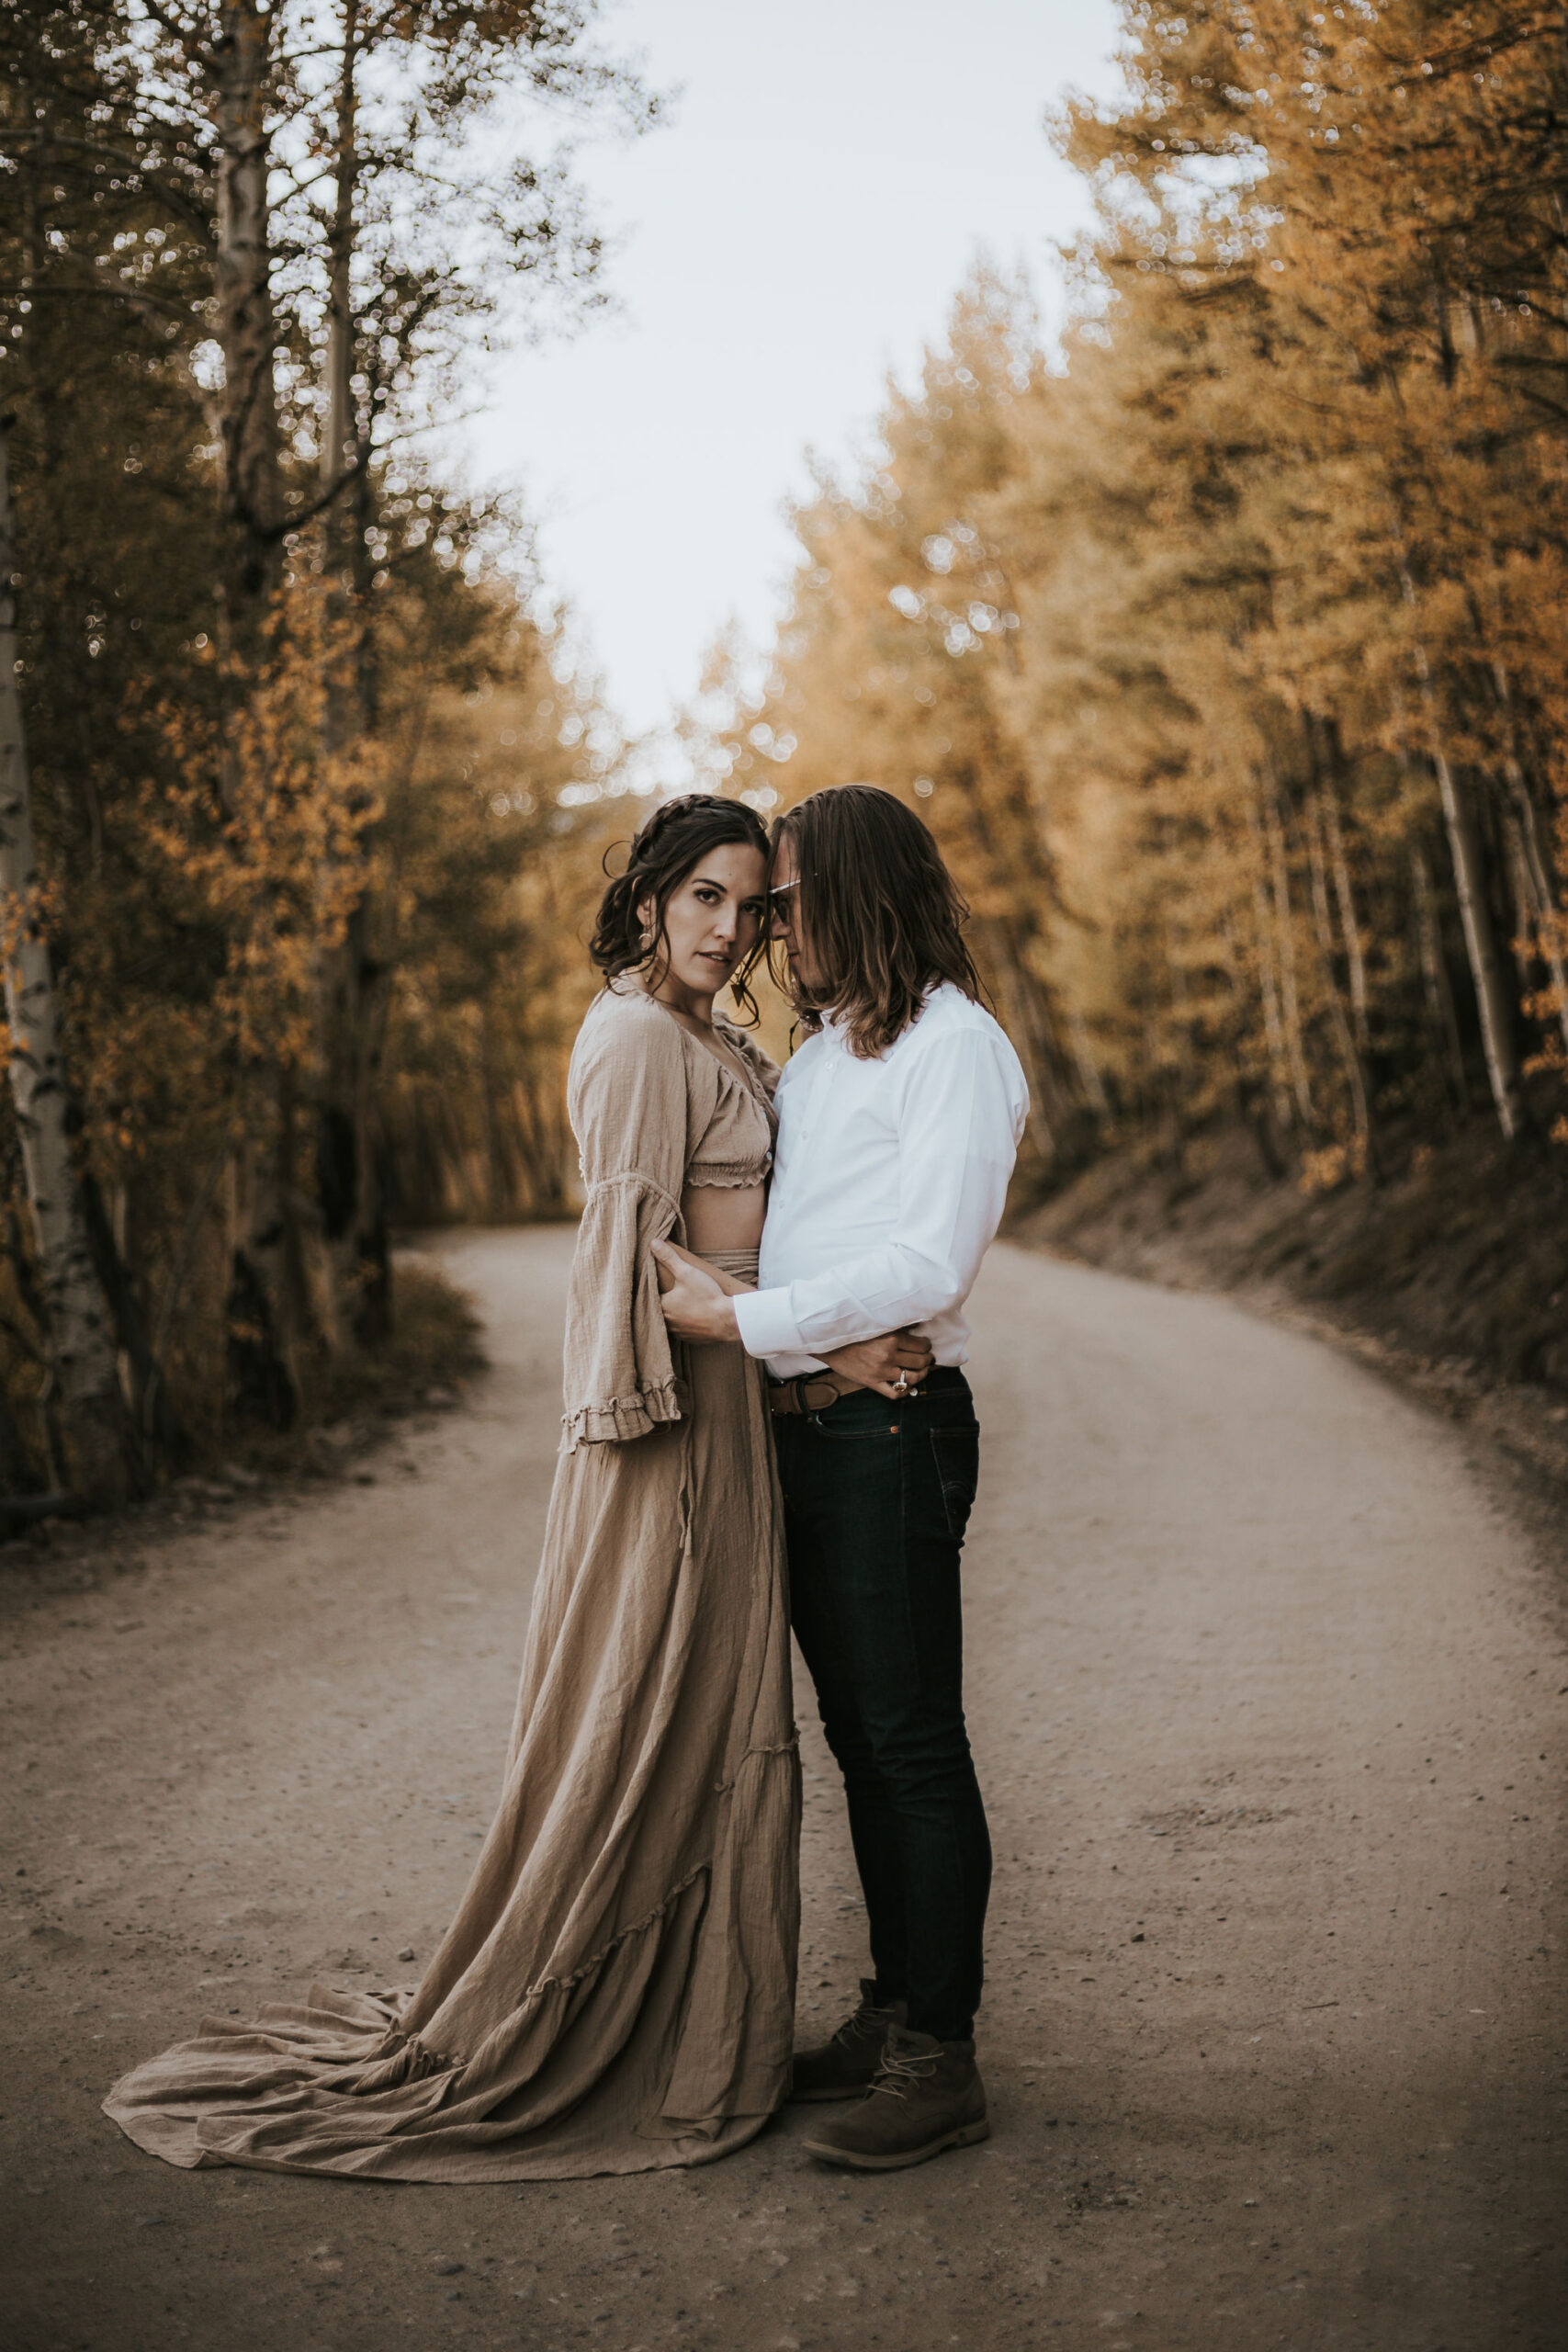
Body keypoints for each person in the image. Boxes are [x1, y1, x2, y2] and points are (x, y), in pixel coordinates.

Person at [104, 793, 914, 2183]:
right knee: (659, 1709)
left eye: (749, 903)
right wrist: (835, 1334)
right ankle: (615, 2029)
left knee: (711, 1716)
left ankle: (699, 2025)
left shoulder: (708, 1032)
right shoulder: (634, 1038)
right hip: (672, 1430)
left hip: (734, 1412)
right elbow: (634, 1273)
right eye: (705, 898)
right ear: (652, 898)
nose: (732, 927)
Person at [654, 783, 1028, 2173]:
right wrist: (782, 1324)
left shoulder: (955, 1050)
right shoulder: (820, 1062)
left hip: (892, 1435)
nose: (771, 926)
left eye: (790, 899)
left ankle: (943, 2055)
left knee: (913, 1737)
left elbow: (929, 1262)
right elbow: (806, 1245)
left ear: (859, 890)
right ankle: (893, 2010)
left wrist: (743, 1322)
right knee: (863, 1741)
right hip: (807, 1427)